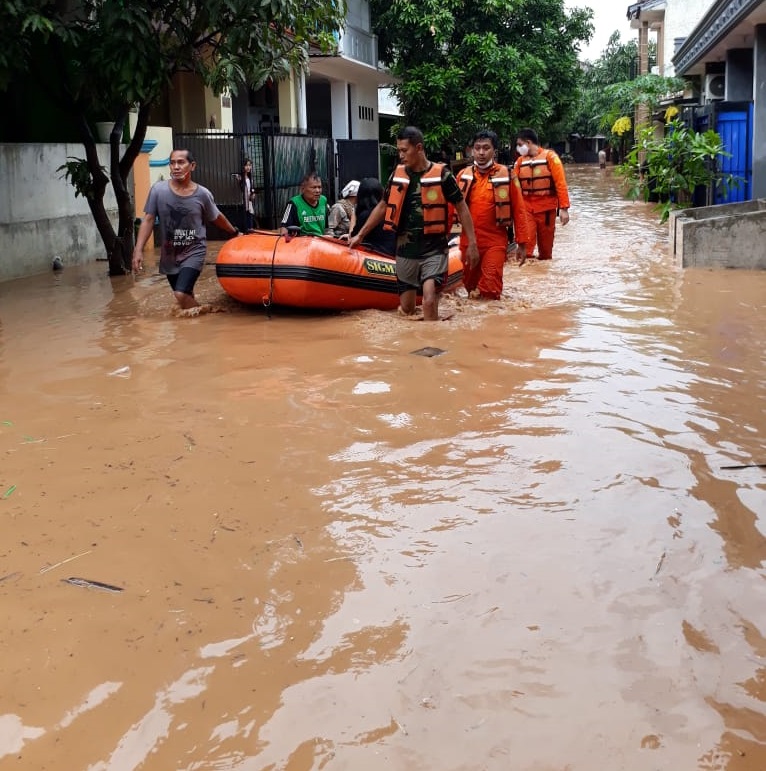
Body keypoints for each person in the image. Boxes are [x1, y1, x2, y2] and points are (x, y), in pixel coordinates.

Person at [348, 126, 479, 321]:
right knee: (408, 308)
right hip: (405, 249)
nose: (400, 155)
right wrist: (360, 235)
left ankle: (432, 344)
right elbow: (383, 206)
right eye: (398, 150)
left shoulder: (442, 175)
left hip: (434, 248)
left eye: (404, 150)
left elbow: (461, 207)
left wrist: (472, 243)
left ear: (419, 148)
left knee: (428, 299)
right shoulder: (396, 175)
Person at [132, 148, 241, 311]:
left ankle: (204, 320)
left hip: (194, 251)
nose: (176, 167)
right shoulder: (158, 190)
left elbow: (217, 217)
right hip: (170, 254)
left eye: (181, 162)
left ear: (192, 166)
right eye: (172, 163)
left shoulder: (203, 194)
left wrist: (234, 233)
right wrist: (138, 250)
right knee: (185, 297)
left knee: (180, 294)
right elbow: (148, 220)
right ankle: (199, 320)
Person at [454, 129, 529, 300]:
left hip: (495, 242)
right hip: (468, 242)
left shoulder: (508, 175)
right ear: (472, 150)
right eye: (477, 148)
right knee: (470, 288)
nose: (481, 152)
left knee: (490, 290)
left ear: (494, 151)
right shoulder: (461, 176)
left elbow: (519, 210)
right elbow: (451, 209)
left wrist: (522, 244)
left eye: (486, 148)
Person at [514, 128, 570, 261]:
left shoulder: (550, 157)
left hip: (546, 210)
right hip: (526, 208)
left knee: (546, 253)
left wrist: (564, 208)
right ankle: (527, 277)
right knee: (526, 248)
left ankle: (542, 277)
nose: (518, 148)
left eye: (520, 144)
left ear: (528, 142)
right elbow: (513, 186)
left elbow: (560, 183)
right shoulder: (520, 162)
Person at [350, 177, 395, 255]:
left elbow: (353, 238)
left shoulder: (365, 216)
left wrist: (354, 214)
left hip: (377, 258)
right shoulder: (390, 212)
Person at [279, 172, 328, 236]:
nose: (317, 190)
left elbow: (327, 227)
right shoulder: (293, 203)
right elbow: (284, 229)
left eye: (319, 187)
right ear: (303, 188)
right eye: (314, 187)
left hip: (321, 241)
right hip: (302, 242)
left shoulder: (323, 200)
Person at [234, 158, 257, 231]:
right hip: (243, 199)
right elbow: (241, 188)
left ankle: (250, 229)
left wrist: (253, 193)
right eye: (246, 165)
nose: (248, 167)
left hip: (249, 199)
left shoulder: (250, 177)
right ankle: (245, 229)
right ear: (243, 166)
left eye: (249, 165)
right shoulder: (240, 177)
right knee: (244, 213)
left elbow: (251, 187)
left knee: (250, 212)